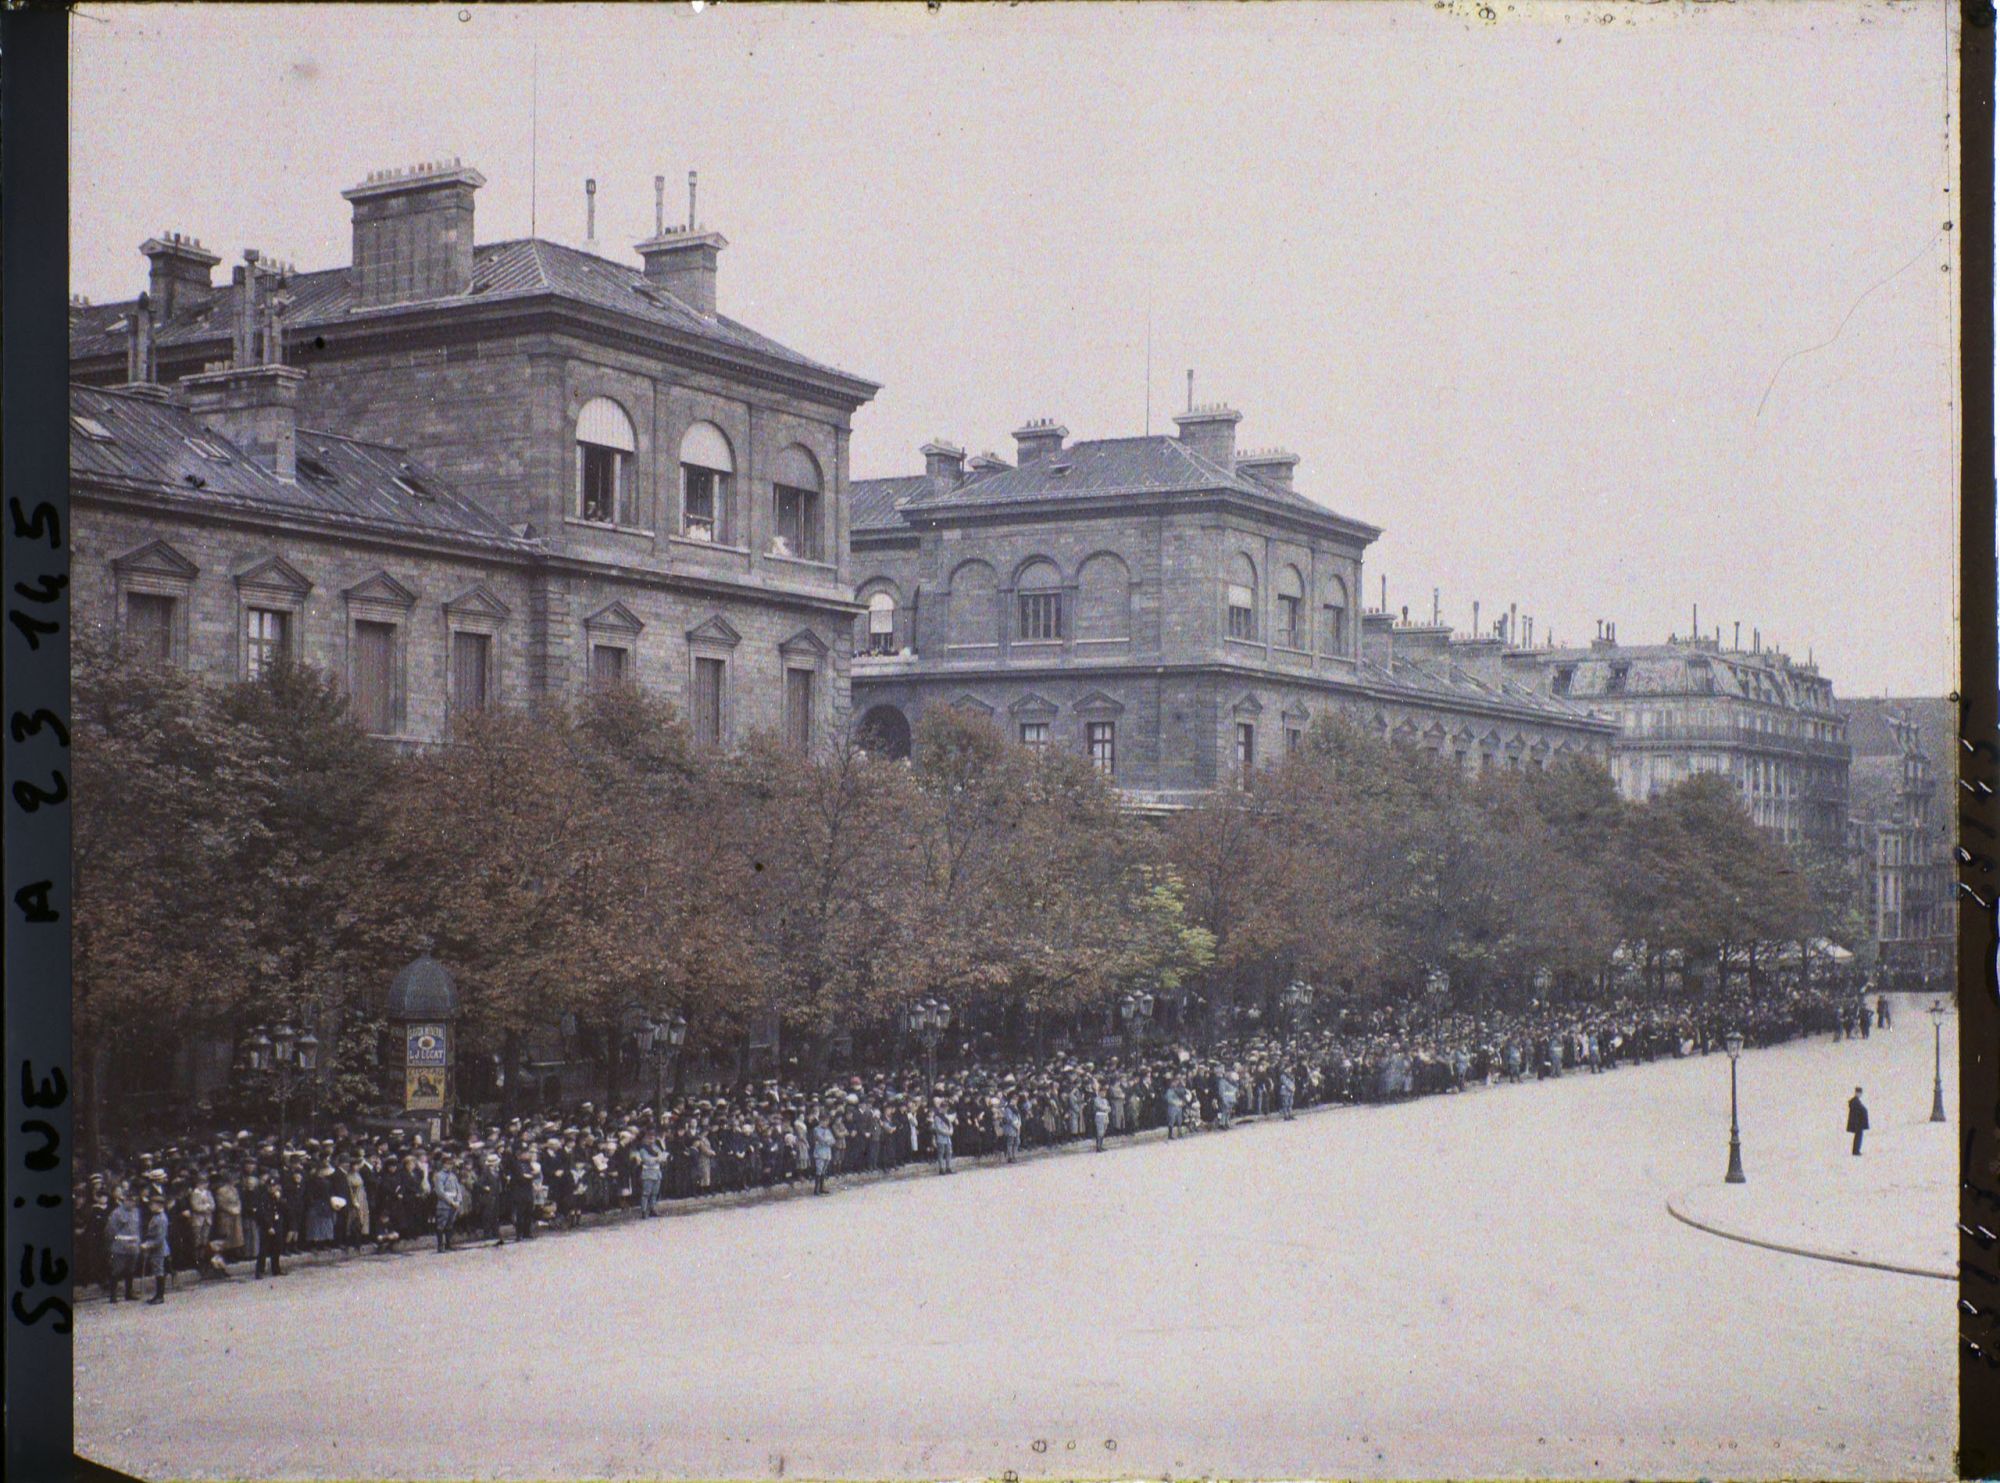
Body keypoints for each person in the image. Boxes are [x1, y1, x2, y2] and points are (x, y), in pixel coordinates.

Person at [105, 1188, 142, 1303]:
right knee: (117, 1270)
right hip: (120, 1246)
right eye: (128, 1200)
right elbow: (110, 1230)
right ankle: (113, 1295)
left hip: (133, 1245)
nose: (131, 1202)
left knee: (130, 1270)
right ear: (124, 1200)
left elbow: (138, 1228)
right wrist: (113, 1243)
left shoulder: (136, 1212)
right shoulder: (116, 1213)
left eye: (133, 1200)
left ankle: (128, 1293)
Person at [432, 1155, 466, 1252]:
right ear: (443, 1165)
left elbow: (458, 1189)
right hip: (444, 1203)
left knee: (450, 1224)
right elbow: (440, 1192)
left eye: (451, 1164)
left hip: (454, 1202)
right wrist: (451, 1201)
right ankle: (440, 1246)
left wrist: (458, 1200)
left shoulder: (453, 1176)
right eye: (447, 1164)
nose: (449, 1166)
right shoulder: (439, 1175)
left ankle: (448, 1244)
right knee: (441, 1224)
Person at [142, 1195, 172, 1304]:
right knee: (157, 1271)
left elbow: (159, 1238)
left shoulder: (161, 1218)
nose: (151, 1206)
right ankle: (158, 1295)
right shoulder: (156, 1216)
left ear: (159, 1205)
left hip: (158, 1248)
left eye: (153, 1204)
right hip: (156, 1248)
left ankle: (160, 1296)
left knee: (159, 1272)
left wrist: (147, 1245)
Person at [636, 1136, 665, 1217]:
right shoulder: (643, 1150)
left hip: (657, 1172)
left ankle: (653, 1209)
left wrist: (660, 1159)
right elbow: (647, 1160)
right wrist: (656, 1159)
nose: (651, 1141)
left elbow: (662, 1157)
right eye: (649, 1139)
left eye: (653, 1139)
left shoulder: (657, 1148)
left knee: (655, 1193)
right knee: (646, 1193)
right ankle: (644, 1211)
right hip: (648, 1173)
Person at [810, 1116, 835, 1195]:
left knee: (824, 1170)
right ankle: (816, 1189)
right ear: (820, 1121)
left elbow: (833, 1140)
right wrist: (827, 1141)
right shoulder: (816, 1129)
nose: (825, 1123)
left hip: (827, 1152)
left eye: (827, 1121)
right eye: (824, 1121)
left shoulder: (828, 1130)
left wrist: (829, 1141)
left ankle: (822, 1187)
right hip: (820, 1152)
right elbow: (821, 1139)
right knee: (819, 1170)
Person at [931, 1099, 957, 1175]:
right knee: (941, 1153)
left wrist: (951, 1131)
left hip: (947, 1137)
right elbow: (938, 1128)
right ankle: (941, 1168)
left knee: (949, 1152)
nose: (946, 1109)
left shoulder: (946, 1116)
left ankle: (948, 1167)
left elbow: (950, 1125)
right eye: (944, 1108)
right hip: (941, 1137)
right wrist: (947, 1133)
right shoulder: (937, 1117)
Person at [1847, 1086, 1869, 1156]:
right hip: (1858, 1123)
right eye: (1859, 1093)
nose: (1860, 1094)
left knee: (1858, 1137)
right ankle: (1856, 1151)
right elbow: (1859, 1112)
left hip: (1858, 1123)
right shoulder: (1855, 1102)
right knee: (1858, 1137)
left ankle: (1856, 1150)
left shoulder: (1855, 1102)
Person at [1091, 1086, 1111, 1152]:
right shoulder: (1096, 1099)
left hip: (1105, 1116)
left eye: (1105, 1092)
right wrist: (1106, 1108)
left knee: (1104, 1132)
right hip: (1099, 1116)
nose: (1104, 1094)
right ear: (1099, 1092)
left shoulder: (1105, 1100)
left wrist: (1107, 1108)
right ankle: (1098, 1147)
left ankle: (1101, 1145)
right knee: (1100, 1132)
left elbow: (1109, 1107)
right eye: (1103, 1092)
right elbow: (1100, 1107)